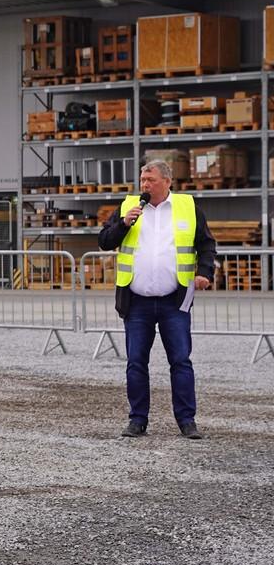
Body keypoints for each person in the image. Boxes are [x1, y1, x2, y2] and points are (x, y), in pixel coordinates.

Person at [98, 159, 215, 440]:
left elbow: (206, 243)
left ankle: (187, 420)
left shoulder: (187, 207)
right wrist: (124, 224)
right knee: (136, 362)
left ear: (167, 181)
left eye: (150, 179)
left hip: (173, 301)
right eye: (142, 179)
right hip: (136, 301)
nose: (144, 184)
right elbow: (104, 240)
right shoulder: (129, 207)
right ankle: (137, 420)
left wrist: (204, 272)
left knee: (181, 361)